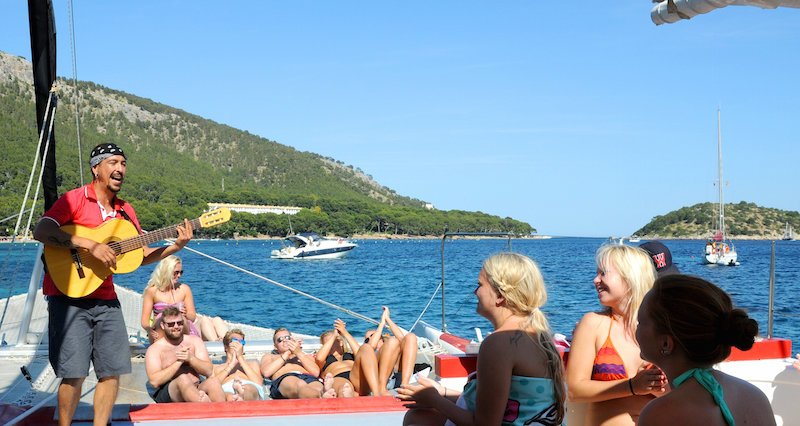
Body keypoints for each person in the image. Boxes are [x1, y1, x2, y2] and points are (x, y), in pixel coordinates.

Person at [33, 143, 193, 426]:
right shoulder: (75, 199)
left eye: (123, 163)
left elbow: (140, 257)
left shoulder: (125, 211)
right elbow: (42, 230)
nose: (120, 169)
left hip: (106, 299)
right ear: (96, 168)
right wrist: (90, 244)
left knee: (111, 371)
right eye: (113, 162)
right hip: (68, 297)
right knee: (74, 373)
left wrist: (175, 247)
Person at [397, 252, 567, 425]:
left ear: (500, 295)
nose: (475, 291)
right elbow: (509, 404)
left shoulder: (499, 343)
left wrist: (434, 400)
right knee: (418, 417)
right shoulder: (540, 337)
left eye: (480, 285)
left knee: (416, 421)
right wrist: (442, 393)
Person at [637, 275, 775, 425]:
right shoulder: (755, 396)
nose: (635, 327)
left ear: (665, 344)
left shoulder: (660, 414)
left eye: (640, 322)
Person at [566, 244, 665, 426]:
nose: (595, 280)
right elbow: (574, 390)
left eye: (603, 273)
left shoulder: (664, 329)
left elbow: (687, 393)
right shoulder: (593, 324)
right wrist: (632, 386)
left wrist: (661, 389)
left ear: (630, 277)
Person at [144, 306, 225, 403]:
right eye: (171, 324)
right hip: (171, 391)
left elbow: (209, 370)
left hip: (197, 385)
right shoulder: (155, 349)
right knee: (183, 378)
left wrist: (191, 359)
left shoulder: (194, 341)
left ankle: (219, 409)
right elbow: (154, 381)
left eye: (179, 323)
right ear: (162, 325)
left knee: (214, 382)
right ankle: (202, 403)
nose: (176, 327)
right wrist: (178, 362)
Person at [140, 255, 228, 342]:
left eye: (181, 272)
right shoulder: (152, 291)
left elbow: (192, 317)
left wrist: (186, 314)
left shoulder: (184, 289)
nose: (179, 275)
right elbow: (144, 321)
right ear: (166, 271)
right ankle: (218, 342)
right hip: (162, 330)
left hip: (184, 328)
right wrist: (149, 330)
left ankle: (223, 341)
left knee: (214, 320)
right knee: (163, 318)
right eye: (176, 272)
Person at [315, 319, 389, 397]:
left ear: (340, 342)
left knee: (366, 347)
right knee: (343, 388)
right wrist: (334, 336)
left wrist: (344, 332)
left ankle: (376, 394)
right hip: (338, 376)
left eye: (333, 341)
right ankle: (349, 395)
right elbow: (319, 358)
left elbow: (361, 351)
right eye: (327, 343)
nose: (330, 345)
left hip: (356, 377)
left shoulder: (350, 355)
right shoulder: (324, 359)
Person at [260, 327, 336, 399]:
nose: (285, 340)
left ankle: (322, 392)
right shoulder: (270, 356)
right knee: (300, 384)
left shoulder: (304, 356)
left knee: (317, 386)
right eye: (280, 340)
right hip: (285, 378)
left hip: (308, 377)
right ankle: (321, 395)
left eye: (287, 338)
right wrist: (287, 353)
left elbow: (315, 373)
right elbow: (266, 373)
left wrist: (298, 352)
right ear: (275, 346)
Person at [364, 306, 419, 389]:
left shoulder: (391, 345)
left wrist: (387, 319)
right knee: (393, 341)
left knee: (410, 337)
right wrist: (382, 324)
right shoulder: (370, 352)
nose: (370, 338)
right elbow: (372, 346)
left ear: (381, 337)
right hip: (380, 378)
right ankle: (382, 387)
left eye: (372, 335)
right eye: (367, 339)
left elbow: (402, 339)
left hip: (397, 376)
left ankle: (405, 384)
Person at [212, 329, 265, 401]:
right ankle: (237, 397)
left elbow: (258, 383)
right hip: (226, 388)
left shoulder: (252, 364)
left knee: (248, 388)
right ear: (226, 347)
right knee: (228, 395)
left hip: (249, 387)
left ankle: (241, 394)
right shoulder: (217, 368)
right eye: (235, 341)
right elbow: (213, 385)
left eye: (241, 342)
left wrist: (240, 358)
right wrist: (231, 365)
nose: (238, 345)